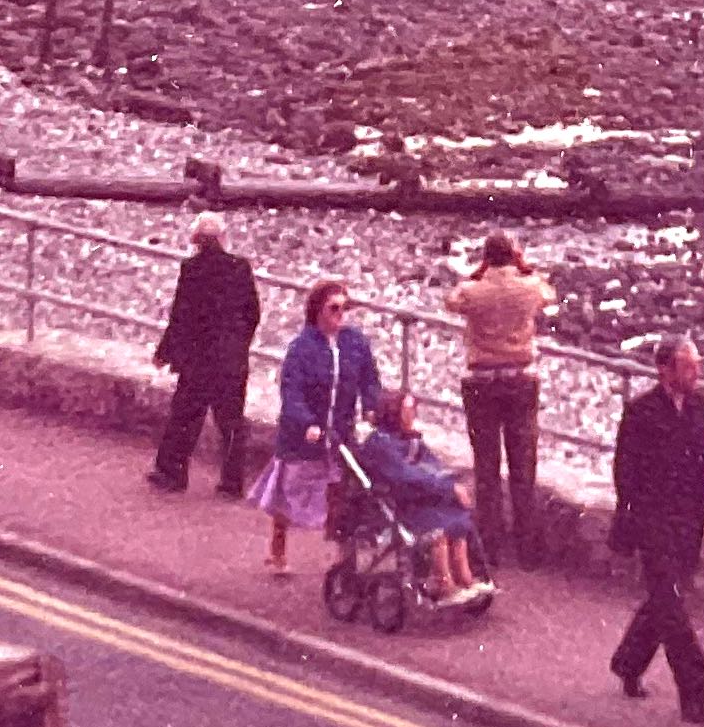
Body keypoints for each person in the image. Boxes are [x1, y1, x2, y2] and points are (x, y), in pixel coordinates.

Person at [608, 336, 704, 727]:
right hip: (653, 527)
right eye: (688, 366)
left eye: (697, 364)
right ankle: (695, 694)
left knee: (662, 603)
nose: (696, 373)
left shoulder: (701, 407)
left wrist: (700, 518)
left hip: (687, 526)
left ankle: (627, 662)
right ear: (665, 369)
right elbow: (626, 473)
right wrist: (637, 525)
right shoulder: (640, 412)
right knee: (673, 611)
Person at [249, 278, 379, 576]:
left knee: (339, 494)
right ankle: (277, 550)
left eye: (346, 308)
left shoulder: (355, 342)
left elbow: (369, 378)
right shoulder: (302, 348)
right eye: (334, 308)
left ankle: (343, 557)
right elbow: (291, 390)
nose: (341, 314)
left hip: (339, 434)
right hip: (302, 436)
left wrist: (370, 407)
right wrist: (307, 422)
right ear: (317, 311)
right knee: (287, 493)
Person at [445, 234, 556, 569]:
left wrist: (478, 273)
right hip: (520, 380)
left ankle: (489, 548)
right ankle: (528, 551)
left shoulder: (473, 291)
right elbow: (549, 294)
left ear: (486, 258)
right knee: (524, 467)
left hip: (482, 382)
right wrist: (525, 266)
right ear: (514, 256)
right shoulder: (529, 286)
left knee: (487, 468)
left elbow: (452, 301)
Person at [148, 212, 263, 497]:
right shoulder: (240, 268)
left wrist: (165, 352)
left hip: (199, 359)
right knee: (231, 423)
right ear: (222, 239)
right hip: (231, 359)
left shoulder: (192, 269)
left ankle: (172, 473)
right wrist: (240, 344)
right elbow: (253, 313)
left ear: (196, 240)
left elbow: (181, 316)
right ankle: (232, 483)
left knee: (185, 416)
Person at [359, 388, 490, 608]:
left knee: (458, 524)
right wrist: (444, 486)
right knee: (439, 530)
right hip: (400, 504)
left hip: (418, 499)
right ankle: (443, 583)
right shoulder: (381, 444)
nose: (413, 415)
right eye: (408, 410)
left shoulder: (411, 440)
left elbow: (432, 466)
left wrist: (449, 482)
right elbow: (405, 476)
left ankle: (465, 578)